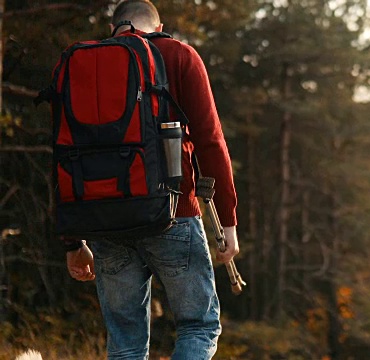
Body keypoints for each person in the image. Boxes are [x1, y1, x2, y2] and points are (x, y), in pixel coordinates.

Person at [64, 0, 239, 358]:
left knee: (125, 341)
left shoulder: (83, 65)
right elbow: (210, 139)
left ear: (114, 26)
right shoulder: (178, 54)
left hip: (103, 219)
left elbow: (64, 152)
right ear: (158, 25)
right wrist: (229, 221)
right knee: (198, 326)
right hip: (173, 212)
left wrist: (72, 241)